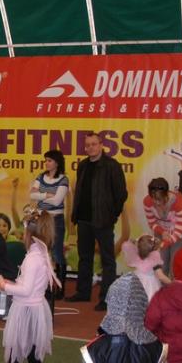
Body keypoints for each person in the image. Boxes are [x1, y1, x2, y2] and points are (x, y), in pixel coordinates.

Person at [0, 211, 61, 363]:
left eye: (23, 231)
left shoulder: (32, 258)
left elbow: (26, 290)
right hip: (37, 310)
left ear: (29, 233)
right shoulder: (42, 254)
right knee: (34, 354)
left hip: (25, 311)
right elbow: (30, 286)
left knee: (16, 353)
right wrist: (13, 284)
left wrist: (3, 285)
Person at [68, 132, 128, 311]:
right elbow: (79, 192)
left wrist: (112, 215)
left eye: (94, 144)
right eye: (87, 145)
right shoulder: (83, 165)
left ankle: (106, 298)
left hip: (103, 221)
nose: (90, 147)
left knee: (107, 260)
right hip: (83, 220)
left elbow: (121, 194)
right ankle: (83, 292)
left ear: (101, 145)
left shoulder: (112, 165)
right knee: (84, 258)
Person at [30, 149, 69, 291]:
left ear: (57, 163)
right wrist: (47, 195)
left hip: (56, 219)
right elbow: (32, 195)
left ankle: (60, 288)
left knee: (57, 253)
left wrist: (40, 195)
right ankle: (44, 286)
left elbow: (57, 201)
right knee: (42, 252)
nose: (46, 163)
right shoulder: (41, 177)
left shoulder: (63, 179)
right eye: (45, 160)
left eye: (49, 160)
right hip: (41, 219)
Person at [143, 177, 182, 276]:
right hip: (161, 231)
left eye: (160, 199)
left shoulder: (178, 202)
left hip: (178, 233)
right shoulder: (147, 201)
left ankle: (174, 285)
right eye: (153, 199)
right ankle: (162, 286)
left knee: (175, 266)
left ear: (166, 194)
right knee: (161, 265)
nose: (157, 202)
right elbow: (152, 222)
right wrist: (162, 232)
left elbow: (180, 229)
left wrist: (164, 244)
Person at [121, 235, 170, 301]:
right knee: (150, 301)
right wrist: (173, 283)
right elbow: (161, 276)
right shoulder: (154, 260)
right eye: (158, 249)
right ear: (154, 251)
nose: (159, 251)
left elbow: (130, 264)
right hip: (151, 285)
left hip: (137, 282)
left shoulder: (138, 256)